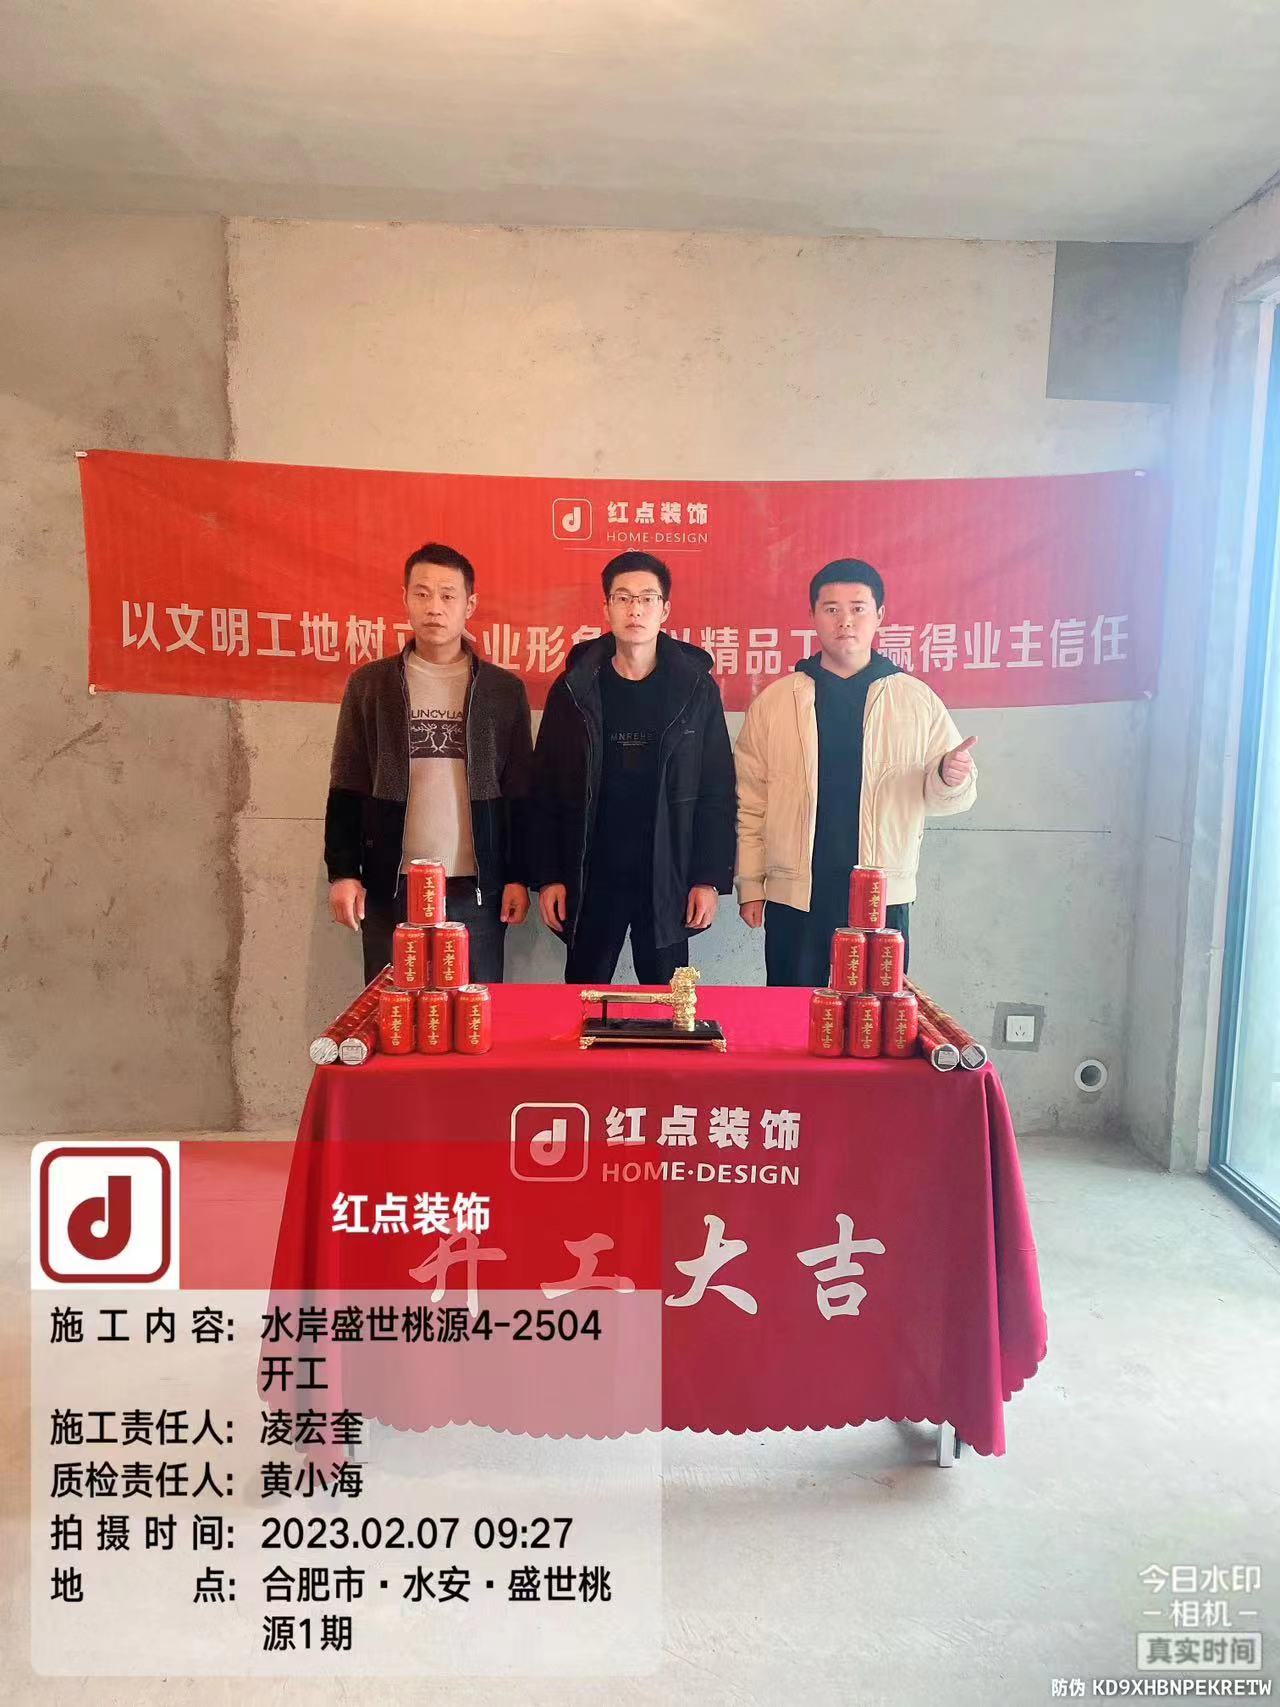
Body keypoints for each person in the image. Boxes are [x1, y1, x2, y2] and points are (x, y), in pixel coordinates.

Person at [734, 558, 977, 985]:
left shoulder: (915, 700)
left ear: (879, 615)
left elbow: (950, 795)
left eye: (858, 608)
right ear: (813, 616)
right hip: (798, 892)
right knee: (792, 1009)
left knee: (876, 1013)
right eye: (831, 609)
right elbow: (751, 802)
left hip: (882, 895)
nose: (845, 620)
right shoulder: (776, 702)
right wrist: (751, 884)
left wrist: (949, 777)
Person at [324, 541, 533, 985]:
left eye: (447, 595)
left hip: (476, 887)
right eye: (422, 593)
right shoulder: (370, 686)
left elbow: (518, 791)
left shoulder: (502, 691)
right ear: (405, 599)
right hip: (391, 882)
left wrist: (517, 876)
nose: (434, 607)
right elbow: (347, 782)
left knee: (475, 1008)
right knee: (393, 1008)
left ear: (469, 605)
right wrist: (343, 872)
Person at [529, 551, 736, 983]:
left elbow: (716, 788)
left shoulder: (695, 688)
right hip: (591, 873)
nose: (635, 609)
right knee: (584, 997)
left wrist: (708, 878)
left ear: (665, 609)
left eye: (646, 598)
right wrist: (548, 875)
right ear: (606, 607)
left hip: (666, 874)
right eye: (622, 598)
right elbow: (545, 787)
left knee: (668, 1000)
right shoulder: (575, 687)